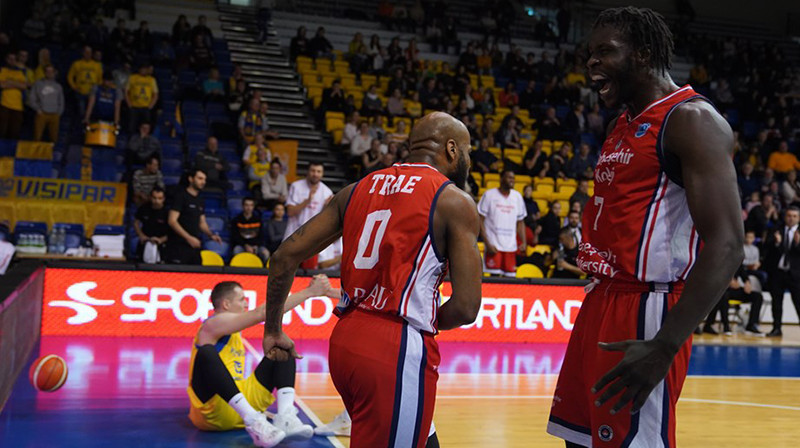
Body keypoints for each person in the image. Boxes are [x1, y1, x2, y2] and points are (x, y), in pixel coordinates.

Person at [548, 8, 744, 448]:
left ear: (644, 54)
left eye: (605, 52)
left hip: (646, 308)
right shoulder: (623, 124)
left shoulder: (691, 120)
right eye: (589, 54)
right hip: (601, 298)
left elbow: (728, 244)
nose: (591, 63)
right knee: (579, 441)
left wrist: (665, 344)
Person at [263, 112, 482, 448]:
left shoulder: (355, 190)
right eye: (467, 151)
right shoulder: (454, 201)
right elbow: (467, 308)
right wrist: (424, 319)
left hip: (346, 340)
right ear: (452, 149)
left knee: (421, 437)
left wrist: (274, 330)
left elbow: (282, 258)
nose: (469, 159)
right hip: (396, 347)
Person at [188, 278, 329, 446]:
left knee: (282, 345)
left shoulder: (230, 330)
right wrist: (310, 292)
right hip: (213, 412)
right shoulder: (212, 325)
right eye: (241, 299)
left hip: (240, 402)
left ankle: (285, 418)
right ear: (226, 304)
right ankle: (253, 419)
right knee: (206, 352)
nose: (246, 304)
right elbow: (262, 313)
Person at [164, 169, 223, 265]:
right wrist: (188, 238)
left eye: (204, 179)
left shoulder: (200, 200)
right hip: (178, 245)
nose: (203, 182)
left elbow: (202, 222)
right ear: (191, 179)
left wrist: (211, 235)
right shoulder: (180, 196)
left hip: (194, 246)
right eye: (200, 178)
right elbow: (172, 221)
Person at [282, 162, 333, 269]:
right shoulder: (296, 186)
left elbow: (325, 219)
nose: (315, 174)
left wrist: (326, 208)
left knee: (310, 270)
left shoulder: (327, 191)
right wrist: (307, 201)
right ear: (308, 172)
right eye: (313, 171)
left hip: (313, 237)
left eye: (318, 172)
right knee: (288, 267)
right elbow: (290, 212)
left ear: (322, 174)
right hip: (294, 234)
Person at [478, 169, 527, 277]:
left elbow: (520, 222)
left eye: (513, 178)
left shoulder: (517, 197)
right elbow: (480, 220)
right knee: (494, 279)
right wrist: (487, 243)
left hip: (510, 246)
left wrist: (523, 241)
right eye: (509, 177)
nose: (512, 180)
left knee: (510, 279)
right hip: (494, 245)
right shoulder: (489, 195)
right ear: (501, 179)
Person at [763, 206, 800, 337]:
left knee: (798, 302)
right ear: (785, 217)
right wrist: (777, 243)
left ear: (799, 218)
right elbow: (766, 246)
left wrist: (798, 244)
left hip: (795, 274)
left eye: (794, 216)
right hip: (778, 272)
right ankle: (776, 328)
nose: (791, 218)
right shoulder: (776, 229)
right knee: (776, 303)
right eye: (789, 215)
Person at [700, 266, 764, 336]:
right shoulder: (722, 261)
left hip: (734, 290)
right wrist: (727, 281)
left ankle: (751, 325)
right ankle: (725, 326)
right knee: (723, 296)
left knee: (757, 296)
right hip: (721, 289)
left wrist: (747, 282)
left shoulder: (737, 261)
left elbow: (743, 274)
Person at [28, 65, 64, 142]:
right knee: (37, 137)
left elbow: (61, 101)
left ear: (54, 73)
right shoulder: (38, 84)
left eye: (51, 71)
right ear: (44, 72)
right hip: (42, 113)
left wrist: (59, 113)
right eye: (47, 71)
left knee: (54, 138)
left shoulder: (58, 86)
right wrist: (37, 109)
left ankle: (53, 153)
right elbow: (32, 98)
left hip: (54, 114)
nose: (49, 73)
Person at [133, 186, 169, 262]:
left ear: (163, 199)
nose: (156, 201)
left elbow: (173, 230)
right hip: (145, 241)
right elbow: (136, 222)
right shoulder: (144, 208)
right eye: (154, 198)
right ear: (150, 197)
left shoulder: (167, 212)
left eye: (159, 198)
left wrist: (161, 239)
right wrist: (141, 235)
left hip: (162, 244)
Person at [67, 46, 102, 119]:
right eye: (86, 52)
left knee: (91, 113)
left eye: (89, 52)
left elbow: (100, 78)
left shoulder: (97, 65)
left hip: (92, 92)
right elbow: (70, 77)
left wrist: (97, 89)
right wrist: (74, 87)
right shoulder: (76, 64)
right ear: (83, 53)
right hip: (80, 91)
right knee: (81, 113)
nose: (88, 54)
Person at [231, 198, 270, 263]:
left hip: (256, 246)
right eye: (246, 205)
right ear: (243, 206)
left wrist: (255, 246)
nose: (248, 208)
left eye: (251, 205)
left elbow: (261, 235)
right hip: (242, 245)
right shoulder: (236, 220)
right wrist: (245, 245)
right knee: (236, 250)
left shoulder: (258, 220)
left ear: (253, 207)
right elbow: (235, 236)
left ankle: (264, 272)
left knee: (266, 253)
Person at [0, 53, 28, 139]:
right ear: (7, 60)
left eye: (14, 59)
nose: (12, 61)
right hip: (4, 104)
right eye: (10, 59)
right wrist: (17, 84)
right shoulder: (3, 70)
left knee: (15, 131)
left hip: (18, 106)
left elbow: (24, 86)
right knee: (2, 130)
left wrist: (9, 82)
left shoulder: (20, 73)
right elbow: (2, 85)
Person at [126, 62, 158, 133]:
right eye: (142, 69)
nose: (143, 71)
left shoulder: (151, 80)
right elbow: (126, 91)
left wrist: (150, 106)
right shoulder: (132, 78)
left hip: (145, 107)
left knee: (146, 127)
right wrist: (129, 104)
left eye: (145, 69)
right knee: (132, 127)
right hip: (134, 107)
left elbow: (155, 94)